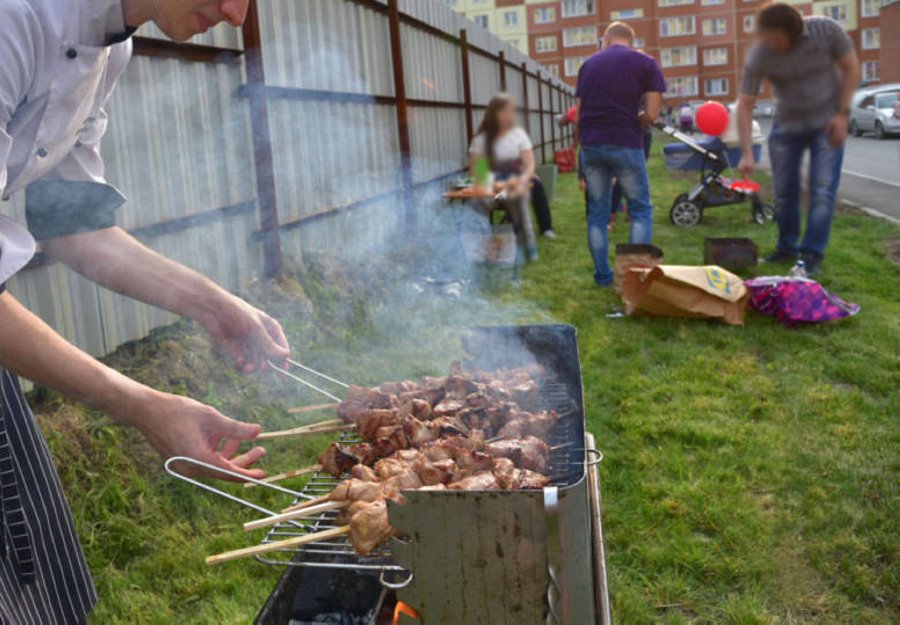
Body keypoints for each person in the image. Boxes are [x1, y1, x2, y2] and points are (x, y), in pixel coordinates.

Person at [0, 0, 292, 621]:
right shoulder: (14, 21)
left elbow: (72, 223)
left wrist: (216, 306)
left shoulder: (111, 46)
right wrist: (139, 404)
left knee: (37, 586)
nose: (237, 15)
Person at [737, 2, 859, 275]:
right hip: (787, 124)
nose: (770, 45)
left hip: (826, 120)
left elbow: (850, 67)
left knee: (823, 189)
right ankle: (786, 248)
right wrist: (746, 152)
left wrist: (842, 114)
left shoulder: (826, 30)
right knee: (785, 191)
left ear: (795, 32)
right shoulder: (760, 53)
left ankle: (811, 257)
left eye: (775, 40)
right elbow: (745, 103)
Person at [576, 21, 665, 287]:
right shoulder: (645, 63)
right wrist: (635, 119)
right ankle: (633, 277)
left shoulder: (588, 65)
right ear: (631, 40)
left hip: (591, 145)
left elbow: (579, 116)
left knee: (598, 215)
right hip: (626, 142)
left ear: (606, 38)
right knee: (639, 210)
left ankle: (603, 277)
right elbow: (651, 114)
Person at [468, 94, 539, 262]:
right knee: (478, 203)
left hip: (514, 185)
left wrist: (521, 181)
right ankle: (483, 250)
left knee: (518, 200)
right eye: (506, 111)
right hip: (494, 190)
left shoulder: (519, 135)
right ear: (494, 113)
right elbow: (478, 172)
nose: (510, 115)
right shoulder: (481, 139)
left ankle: (529, 248)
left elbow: (530, 165)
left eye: (511, 111)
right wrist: (492, 184)